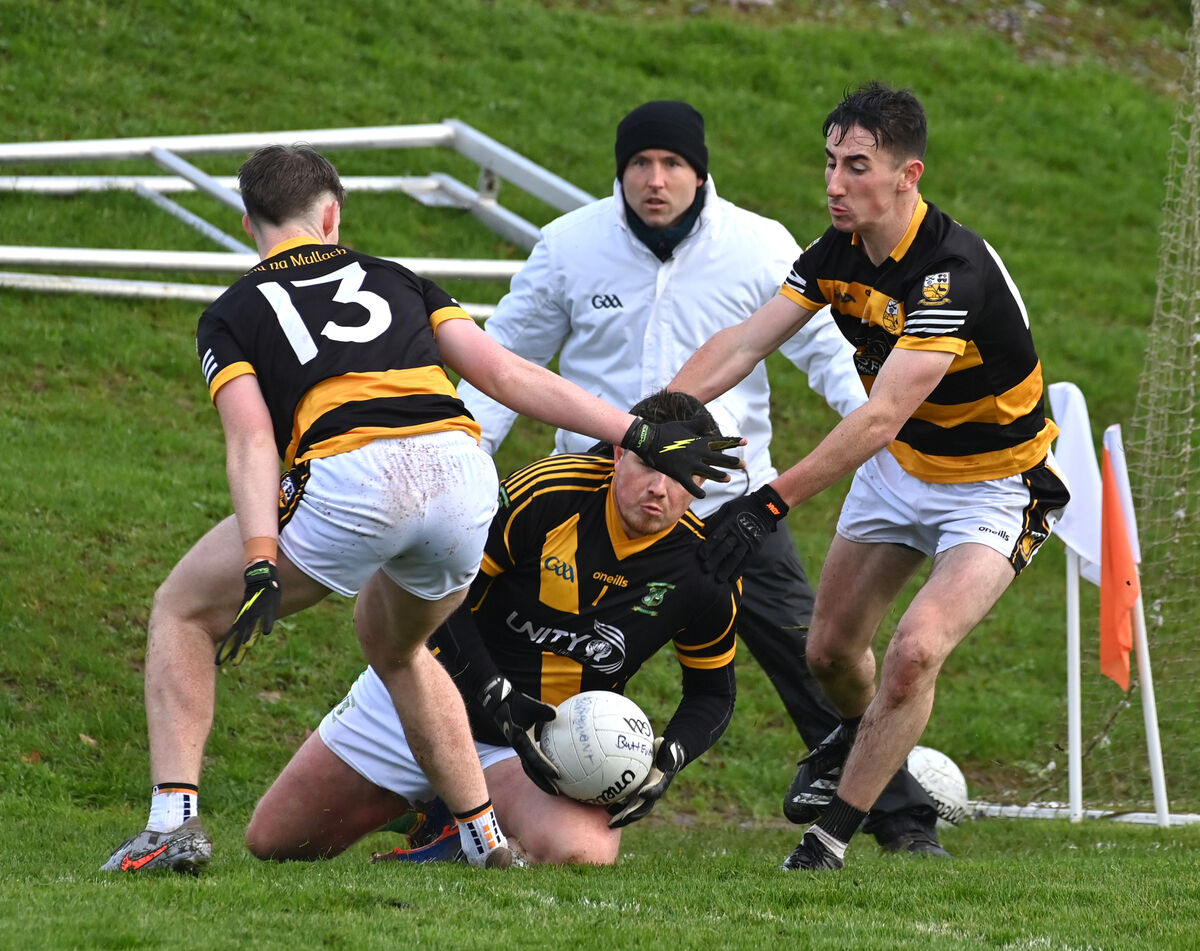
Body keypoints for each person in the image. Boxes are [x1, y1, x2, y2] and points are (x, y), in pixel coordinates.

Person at [100, 145, 742, 874]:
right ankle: (479, 835)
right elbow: (504, 372)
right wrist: (634, 430)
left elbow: (251, 439)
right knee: (400, 643)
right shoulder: (399, 278)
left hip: (355, 474)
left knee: (182, 609)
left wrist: (258, 556)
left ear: (249, 222)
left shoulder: (232, 312)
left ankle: (170, 822)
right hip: (461, 471)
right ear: (333, 214)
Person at [455, 99, 944, 854]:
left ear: (700, 170)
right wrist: (458, 465)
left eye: (673, 164)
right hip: (593, 500)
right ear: (619, 173)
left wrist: (879, 427)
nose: (655, 180)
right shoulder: (567, 247)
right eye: (639, 165)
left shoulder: (759, 245)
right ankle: (448, 792)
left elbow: (827, 351)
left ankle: (902, 820)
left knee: (817, 657)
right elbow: (503, 363)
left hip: (734, 506)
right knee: (501, 648)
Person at [670, 82, 1070, 871]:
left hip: (998, 485)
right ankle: (866, 753)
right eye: (829, 162)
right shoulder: (835, 253)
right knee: (828, 654)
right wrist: (655, 415)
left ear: (907, 176)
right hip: (902, 470)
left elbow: (880, 414)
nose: (834, 183)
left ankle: (833, 835)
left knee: (915, 650)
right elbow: (746, 343)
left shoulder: (951, 273)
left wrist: (770, 498)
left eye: (857, 166)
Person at [242, 390, 740, 865]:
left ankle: (451, 828)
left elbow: (712, 693)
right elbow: (436, 596)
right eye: (650, 465)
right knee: (277, 841)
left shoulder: (705, 569)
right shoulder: (548, 493)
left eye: (680, 476)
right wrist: (491, 691)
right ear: (618, 453)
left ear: (702, 483)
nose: (659, 489)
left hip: (527, 748)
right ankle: (430, 808)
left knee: (583, 852)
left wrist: (672, 756)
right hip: (423, 694)